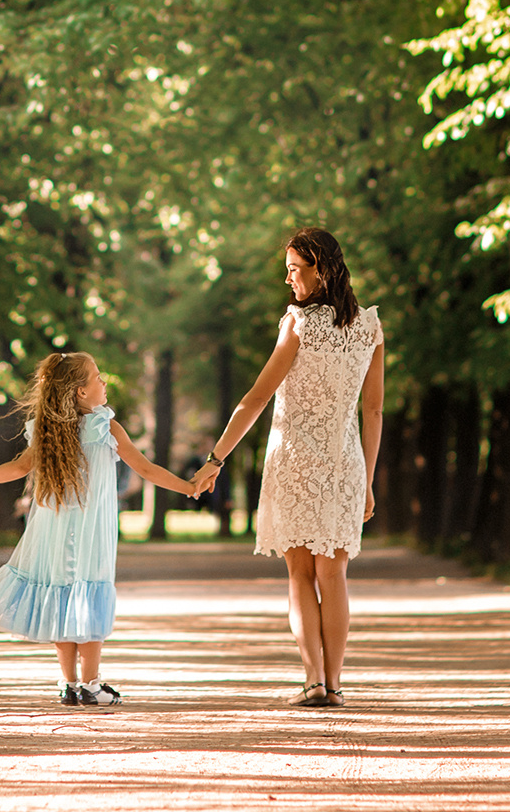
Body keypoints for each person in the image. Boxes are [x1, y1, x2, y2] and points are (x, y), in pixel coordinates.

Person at [191, 227, 384, 707]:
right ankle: (335, 685)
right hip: (346, 463)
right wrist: (368, 481)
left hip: (296, 460)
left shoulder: (297, 323)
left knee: (301, 575)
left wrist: (216, 458)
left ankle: (314, 680)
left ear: (322, 269)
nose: (289, 281)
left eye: (295, 270)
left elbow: (257, 397)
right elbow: (374, 411)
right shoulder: (371, 327)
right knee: (334, 576)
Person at [0, 351, 198, 705]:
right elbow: (145, 469)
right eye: (97, 377)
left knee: (63, 596)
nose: (103, 382)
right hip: (90, 532)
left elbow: (18, 467)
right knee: (88, 595)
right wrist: (188, 487)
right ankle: (92, 684)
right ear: (81, 392)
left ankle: (69, 683)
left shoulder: (46, 428)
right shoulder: (105, 426)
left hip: (53, 531)